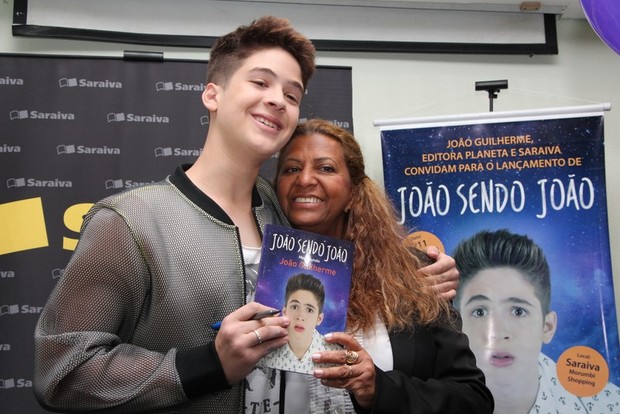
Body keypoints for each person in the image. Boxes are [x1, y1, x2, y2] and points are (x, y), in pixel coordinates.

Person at [33, 17, 458, 414]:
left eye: (292, 95)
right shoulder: (130, 222)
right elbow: (62, 372)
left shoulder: (287, 217)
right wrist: (207, 364)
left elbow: (359, 242)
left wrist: (414, 272)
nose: (277, 100)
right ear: (212, 94)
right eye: (260, 82)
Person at [274, 119, 494, 413]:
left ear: (353, 193)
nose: (304, 180)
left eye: (325, 168)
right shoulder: (253, 272)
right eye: (291, 168)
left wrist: (377, 389)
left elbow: (473, 400)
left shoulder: (415, 275)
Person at [452, 229, 620, 414]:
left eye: (518, 311)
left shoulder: (605, 406)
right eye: (480, 311)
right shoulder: (427, 401)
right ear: (455, 327)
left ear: (547, 327)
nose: (497, 332)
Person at [259, 273, 341, 374]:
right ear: (285, 311)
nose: (300, 316)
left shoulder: (334, 355)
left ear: (319, 319)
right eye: (294, 307)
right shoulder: (264, 347)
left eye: (309, 310)